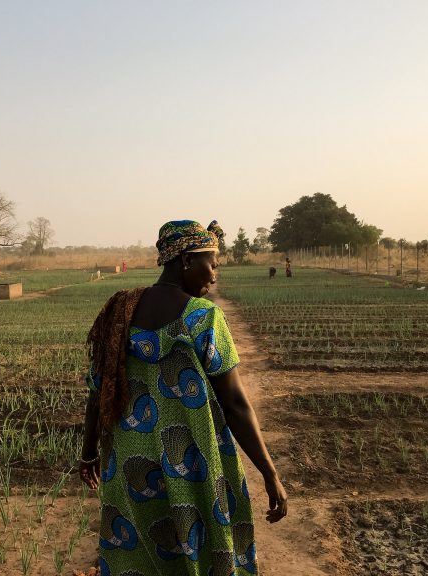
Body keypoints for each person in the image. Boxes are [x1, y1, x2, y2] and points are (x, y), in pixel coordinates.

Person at [80, 219, 287, 576]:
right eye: (213, 264)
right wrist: (269, 473)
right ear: (187, 261)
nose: (215, 275)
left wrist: (88, 455)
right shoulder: (202, 318)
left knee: (140, 557)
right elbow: (235, 404)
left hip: (130, 464)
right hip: (191, 464)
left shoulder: (120, 312)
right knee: (199, 555)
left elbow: (99, 392)